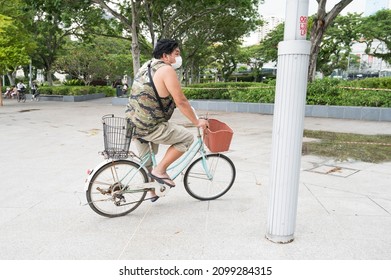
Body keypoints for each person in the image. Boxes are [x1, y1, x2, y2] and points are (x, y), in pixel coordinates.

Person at [126, 38, 208, 202]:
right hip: (149, 125)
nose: (178, 58)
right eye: (176, 54)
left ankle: (151, 191)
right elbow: (181, 101)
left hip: (133, 122)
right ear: (165, 55)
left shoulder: (147, 66)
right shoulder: (166, 70)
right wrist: (197, 122)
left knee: (146, 159)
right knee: (186, 138)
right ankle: (161, 170)